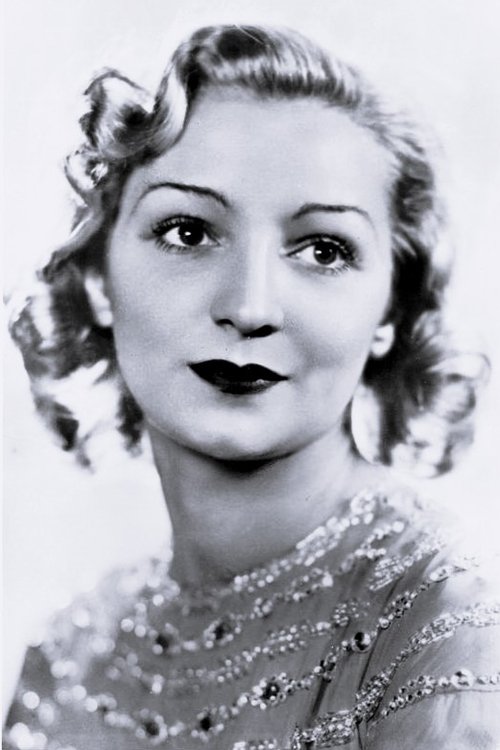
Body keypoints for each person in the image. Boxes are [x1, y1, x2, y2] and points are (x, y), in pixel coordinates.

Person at [3, 23, 499, 750]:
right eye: (188, 232)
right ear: (99, 278)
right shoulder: (69, 666)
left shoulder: (441, 623)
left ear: (389, 312)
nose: (250, 306)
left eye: (323, 250)